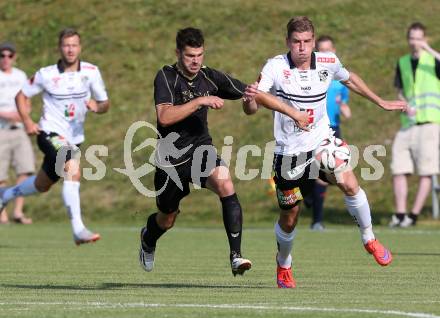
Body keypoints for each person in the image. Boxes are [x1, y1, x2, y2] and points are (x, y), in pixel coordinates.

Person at [243, 16, 406, 288]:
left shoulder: (328, 61)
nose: (302, 48)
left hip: (320, 142)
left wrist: (381, 101)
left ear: (314, 42)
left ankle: (369, 238)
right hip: (288, 154)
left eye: (307, 42)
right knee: (290, 216)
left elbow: (350, 79)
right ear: (288, 42)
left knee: (349, 181)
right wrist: (250, 102)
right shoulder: (275, 66)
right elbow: (254, 102)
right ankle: (284, 264)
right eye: (296, 42)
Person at [139, 27, 309, 276]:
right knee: (167, 218)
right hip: (170, 160)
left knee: (225, 182)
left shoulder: (209, 77)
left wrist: (291, 112)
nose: (196, 61)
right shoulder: (165, 76)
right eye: (189, 56)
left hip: (200, 150)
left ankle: (236, 257)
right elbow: (164, 117)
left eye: (199, 55)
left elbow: (252, 94)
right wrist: (199, 101)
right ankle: (148, 238)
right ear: (178, 53)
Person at [0, 28, 110, 244]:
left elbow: (106, 103)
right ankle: (78, 229)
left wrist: (97, 106)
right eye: (66, 45)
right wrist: (29, 121)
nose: (70, 49)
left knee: (42, 185)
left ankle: (5, 195)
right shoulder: (46, 74)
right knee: (72, 165)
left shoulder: (91, 72)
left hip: (74, 137)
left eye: (74, 45)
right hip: (49, 132)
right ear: (60, 48)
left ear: (80, 47)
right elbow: (21, 96)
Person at [389, 22, 440, 228]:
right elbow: (400, 89)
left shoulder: (432, 60)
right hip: (408, 123)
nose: (415, 41)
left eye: (419, 37)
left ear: (424, 38)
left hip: (430, 122)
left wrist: (428, 48)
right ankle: (400, 214)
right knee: (398, 167)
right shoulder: (402, 62)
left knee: (426, 170)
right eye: (412, 37)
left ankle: (414, 215)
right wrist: (403, 103)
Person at [306, 35, 352, 231]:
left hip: (332, 129)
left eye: (328, 50)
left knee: (330, 173)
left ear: (334, 50)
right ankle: (314, 212)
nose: (325, 54)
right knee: (314, 174)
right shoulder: (311, 74)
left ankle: (315, 215)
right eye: (321, 50)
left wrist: (344, 107)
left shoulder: (339, 79)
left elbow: (342, 101)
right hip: (311, 128)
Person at [0, 42, 35, 225]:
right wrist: (8, 114)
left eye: (9, 55)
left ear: (14, 57)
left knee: (26, 169)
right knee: (1, 175)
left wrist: (23, 114)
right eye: (2, 55)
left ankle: (18, 211)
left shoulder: (20, 75)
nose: (6, 59)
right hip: (1, 130)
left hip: (19, 129)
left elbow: (26, 99)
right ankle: (2, 213)